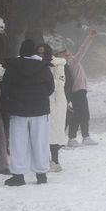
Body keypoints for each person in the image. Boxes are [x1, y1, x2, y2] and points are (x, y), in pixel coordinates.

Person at [0, 39, 54, 186]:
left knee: (18, 142)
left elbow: (5, 89)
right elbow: (50, 88)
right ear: (34, 52)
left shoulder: (12, 67)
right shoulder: (44, 67)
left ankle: (18, 175)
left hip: (18, 110)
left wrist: (13, 100)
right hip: (40, 109)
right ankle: (41, 175)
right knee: (40, 141)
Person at [63, 29, 98, 146]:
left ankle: (80, 137)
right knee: (82, 114)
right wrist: (89, 38)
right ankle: (79, 137)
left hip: (79, 91)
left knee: (80, 114)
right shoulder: (71, 62)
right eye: (66, 53)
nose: (69, 53)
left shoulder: (70, 62)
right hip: (78, 91)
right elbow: (82, 50)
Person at [38, 41, 67, 172]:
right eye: (39, 53)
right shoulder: (36, 64)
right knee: (42, 132)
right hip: (41, 101)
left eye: (43, 53)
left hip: (55, 102)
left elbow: (60, 84)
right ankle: (44, 159)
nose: (41, 55)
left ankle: (55, 161)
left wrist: (44, 80)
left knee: (54, 132)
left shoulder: (58, 64)